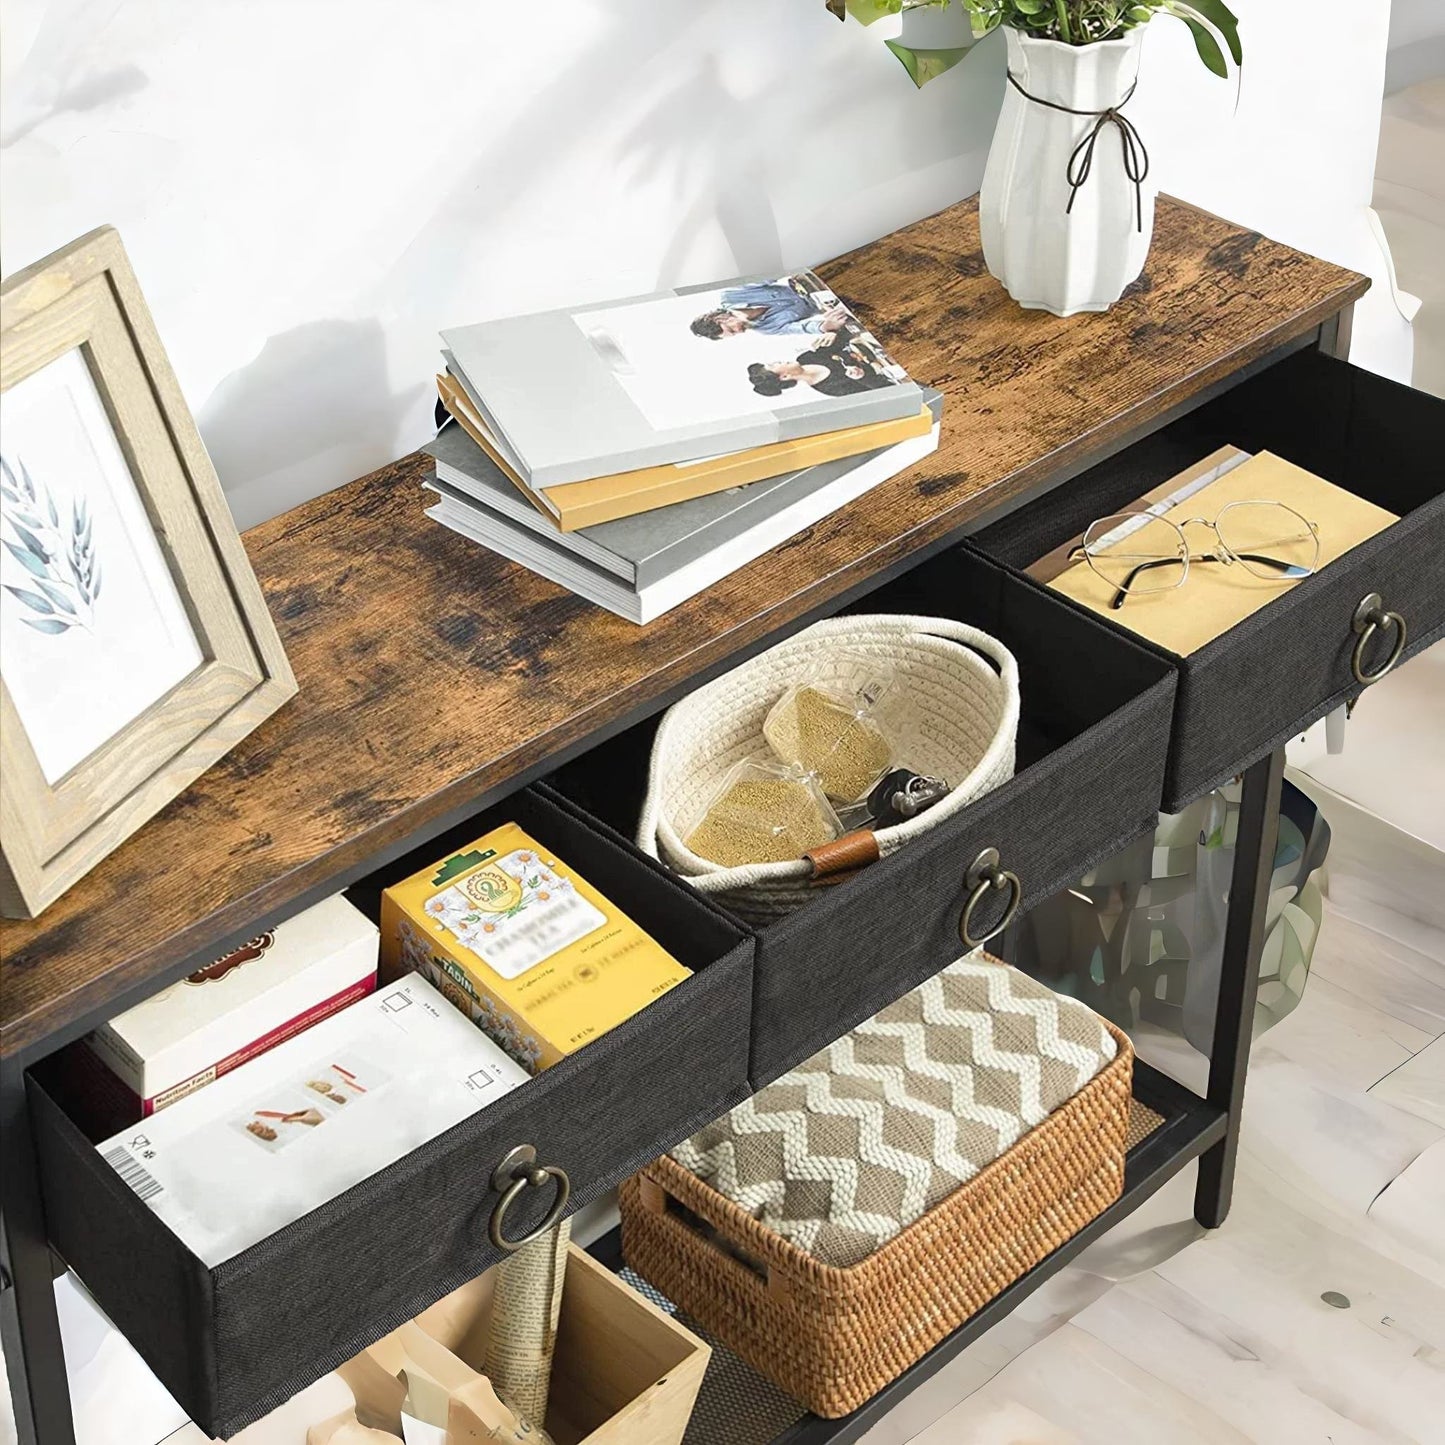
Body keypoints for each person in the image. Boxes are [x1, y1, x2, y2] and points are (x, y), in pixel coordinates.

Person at [692, 281, 851, 340]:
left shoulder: (732, 294)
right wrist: (827, 325)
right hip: (833, 303)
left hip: (814, 282)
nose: (739, 333)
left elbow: (768, 276)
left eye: (731, 330)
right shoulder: (767, 330)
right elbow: (802, 328)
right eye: (733, 335)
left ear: (720, 319)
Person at [747, 346, 896, 399]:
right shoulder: (831, 389)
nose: (779, 360)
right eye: (775, 365)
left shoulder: (806, 357)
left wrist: (830, 335)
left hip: (874, 348)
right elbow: (885, 392)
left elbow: (839, 345)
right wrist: (863, 377)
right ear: (785, 376)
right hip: (892, 367)